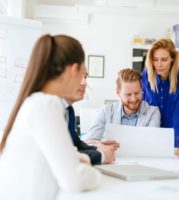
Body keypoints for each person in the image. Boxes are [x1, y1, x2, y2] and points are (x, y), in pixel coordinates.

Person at [0, 34, 101, 200]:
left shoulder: (37, 102)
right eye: (83, 74)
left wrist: (80, 159)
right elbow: (74, 180)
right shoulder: (46, 105)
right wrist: (95, 174)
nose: (83, 83)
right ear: (73, 70)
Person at [84, 68, 160, 142]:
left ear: (141, 90)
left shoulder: (153, 113)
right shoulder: (105, 111)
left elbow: (150, 143)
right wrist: (101, 146)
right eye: (128, 94)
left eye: (137, 93)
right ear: (118, 93)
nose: (133, 99)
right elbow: (90, 141)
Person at [141, 38, 179, 153]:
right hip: (151, 135)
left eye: (164, 59)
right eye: (155, 59)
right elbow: (143, 111)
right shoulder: (146, 76)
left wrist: (177, 145)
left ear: (172, 58)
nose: (159, 64)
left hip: (176, 134)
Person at [64, 74, 117, 165]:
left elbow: (77, 143)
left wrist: (98, 148)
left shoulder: (69, 109)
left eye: (85, 77)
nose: (84, 82)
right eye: (79, 76)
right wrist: (102, 155)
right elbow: (65, 154)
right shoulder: (50, 109)